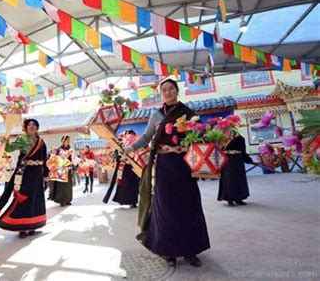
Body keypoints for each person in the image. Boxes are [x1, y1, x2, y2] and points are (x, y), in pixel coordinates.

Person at [124, 78, 210, 268]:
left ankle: (191, 250)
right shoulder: (156, 115)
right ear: (161, 93)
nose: (168, 92)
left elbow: (200, 138)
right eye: (164, 90)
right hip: (164, 165)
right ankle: (167, 250)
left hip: (184, 165)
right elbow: (146, 137)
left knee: (189, 205)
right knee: (166, 207)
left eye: (171, 88)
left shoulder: (188, 114)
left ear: (177, 91)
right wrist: (130, 148)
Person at [0, 119, 48, 238]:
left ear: (37, 128)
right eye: (29, 125)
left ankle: (33, 226)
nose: (31, 126)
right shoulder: (22, 139)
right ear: (26, 128)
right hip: (24, 172)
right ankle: (21, 227)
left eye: (34, 125)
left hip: (37, 174)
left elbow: (45, 159)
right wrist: (5, 142)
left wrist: (46, 174)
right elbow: (9, 149)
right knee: (23, 197)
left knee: (35, 198)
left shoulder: (41, 142)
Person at [103, 130, 140, 208]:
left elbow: (137, 153)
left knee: (133, 184)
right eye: (127, 134)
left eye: (131, 134)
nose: (129, 135)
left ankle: (133, 202)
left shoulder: (136, 142)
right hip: (123, 166)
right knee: (122, 184)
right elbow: (116, 153)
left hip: (132, 166)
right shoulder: (121, 143)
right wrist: (119, 157)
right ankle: (121, 200)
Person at [218, 134, 251, 206]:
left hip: (238, 159)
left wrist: (248, 160)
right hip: (227, 159)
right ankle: (230, 199)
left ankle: (239, 198)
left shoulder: (241, 138)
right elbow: (218, 150)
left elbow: (243, 151)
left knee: (240, 179)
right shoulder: (222, 138)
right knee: (229, 179)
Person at [51, 136, 73, 206]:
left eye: (69, 140)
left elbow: (73, 158)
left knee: (68, 184)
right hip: (61, 169)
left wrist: (73, 162)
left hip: (68, 168)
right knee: (61, 185)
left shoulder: (70, 149)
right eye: (66, 140)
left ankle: (68, 199)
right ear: (63, 141)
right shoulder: (59, 149)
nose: (68, 141)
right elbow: (56, 158)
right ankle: (61, 200)